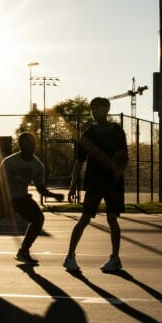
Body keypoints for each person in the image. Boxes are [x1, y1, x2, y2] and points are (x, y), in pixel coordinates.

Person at [0, 132, 65, 265]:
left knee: (38, 218)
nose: (31, 146)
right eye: (27, 143)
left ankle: (23, 251)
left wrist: (53, 195)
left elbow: (40, 188)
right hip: (1, 199)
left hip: (20, 199)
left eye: (32, 143)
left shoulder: (37, 166)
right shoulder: (10, 161)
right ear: (21, 146)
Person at [64, 97, 128, 273]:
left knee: (112, 219)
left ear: (107, 109)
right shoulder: (88, 134)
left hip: (113, 182)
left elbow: (124, 157)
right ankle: (70, 257)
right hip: (94, 181)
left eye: (98, 108)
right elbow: (79, 161)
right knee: (84, 218)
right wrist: (72, 185)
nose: (94, 111)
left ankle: (115, 258)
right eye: (92, 108)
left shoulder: (117, 131)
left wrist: (118, 171)